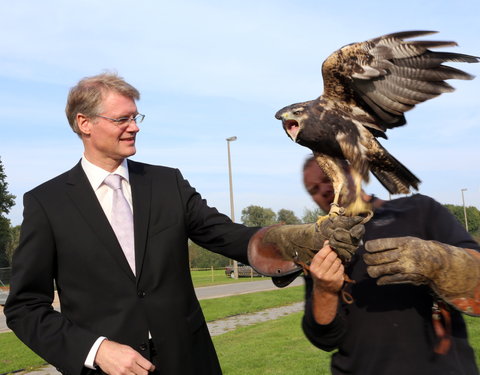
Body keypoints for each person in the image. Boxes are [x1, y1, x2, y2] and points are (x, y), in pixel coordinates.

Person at [4, 74, 361, 375]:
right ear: (84, 123)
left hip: (189, 362)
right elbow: (25, 308)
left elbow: (227, 234)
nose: (134, 128)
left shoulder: (167, 183)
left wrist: (299, 242)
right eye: (122, 119)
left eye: (136, 117)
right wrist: (96, 350)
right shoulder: (47, 203)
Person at [300, 156, 480, 375]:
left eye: (327, 178)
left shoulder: (420, 210)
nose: (324, 190)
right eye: (313, 189)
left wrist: (439, 261)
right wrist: (325, 290)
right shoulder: (318, 243)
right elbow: (324, 338)